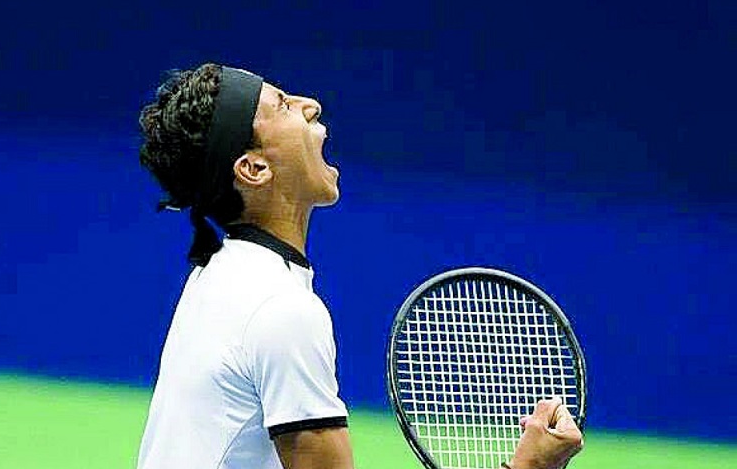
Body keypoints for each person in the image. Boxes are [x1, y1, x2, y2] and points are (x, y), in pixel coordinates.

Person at [135, 62, 583, 469]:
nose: (311, 105)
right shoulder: (281, 310)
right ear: (254, 168)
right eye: (284, 105)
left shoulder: (219, 274)